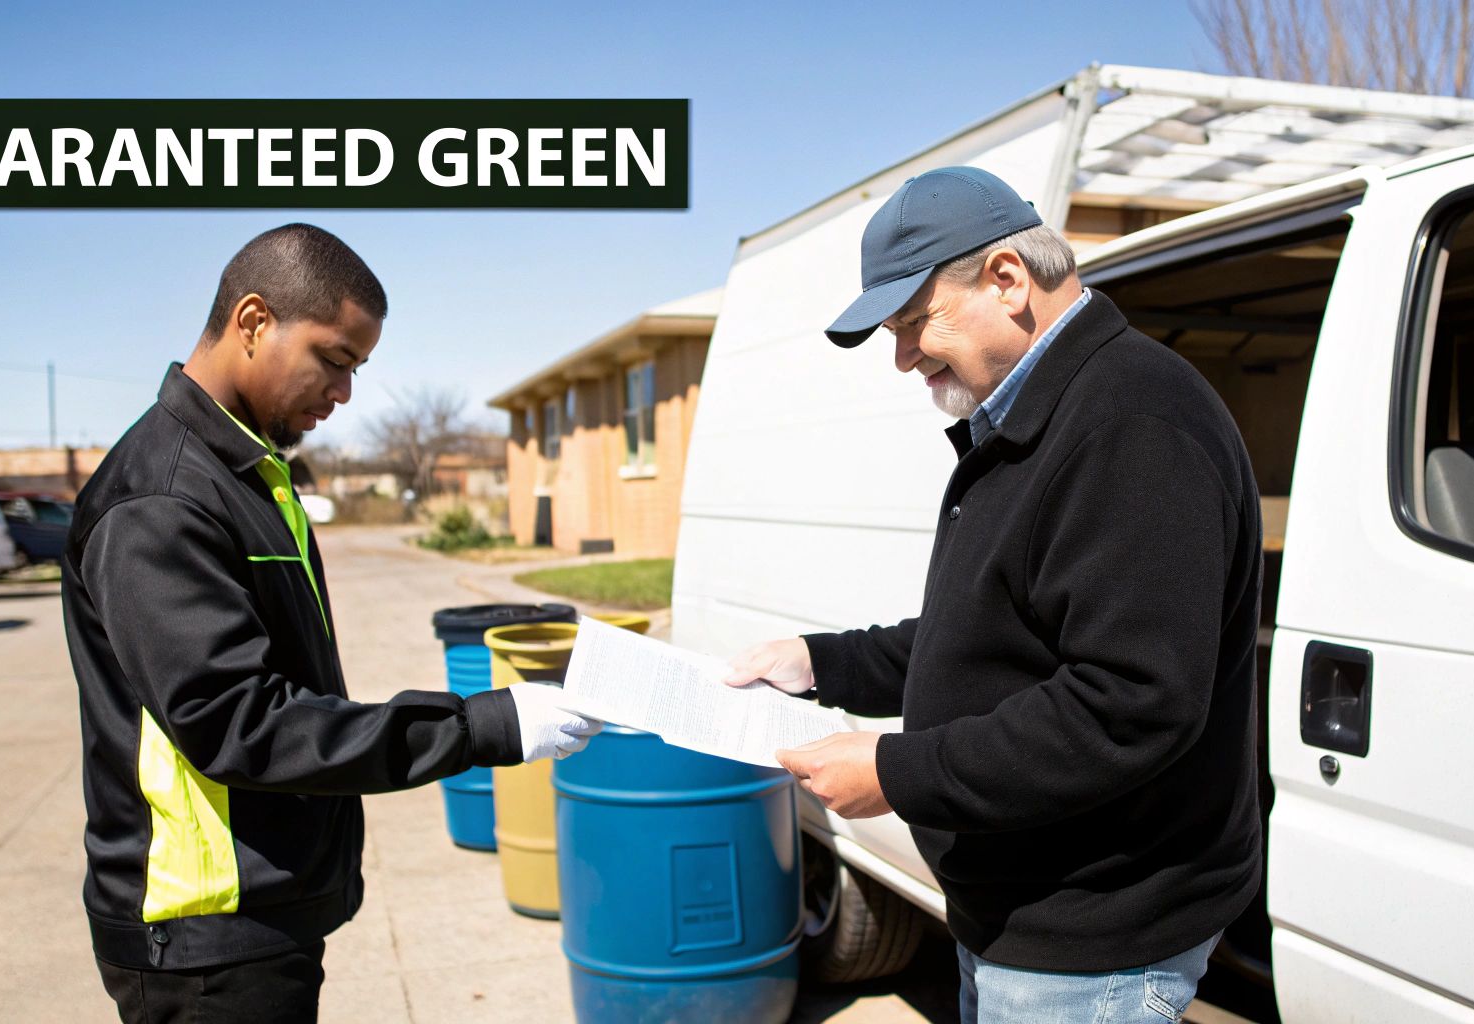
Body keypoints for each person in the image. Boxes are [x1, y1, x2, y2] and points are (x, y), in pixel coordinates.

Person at [724, 167, 1264, 1023]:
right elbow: (987, 636)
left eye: (913, 323)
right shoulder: (1036, 417)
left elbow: (1130, 705)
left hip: (1089, 936)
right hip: (1017, 910)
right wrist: (817, 662)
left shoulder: (1131, 426)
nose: (902, 357)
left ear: (1009, 278)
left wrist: (896, 772)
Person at [62, 224, 598, 1024]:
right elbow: (241, 724)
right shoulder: (162, 502)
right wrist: (480, 726)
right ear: (251, 321)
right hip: (206, 937)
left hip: (261, 914)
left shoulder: (245, 477)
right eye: (334, 360)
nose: (344, 394)